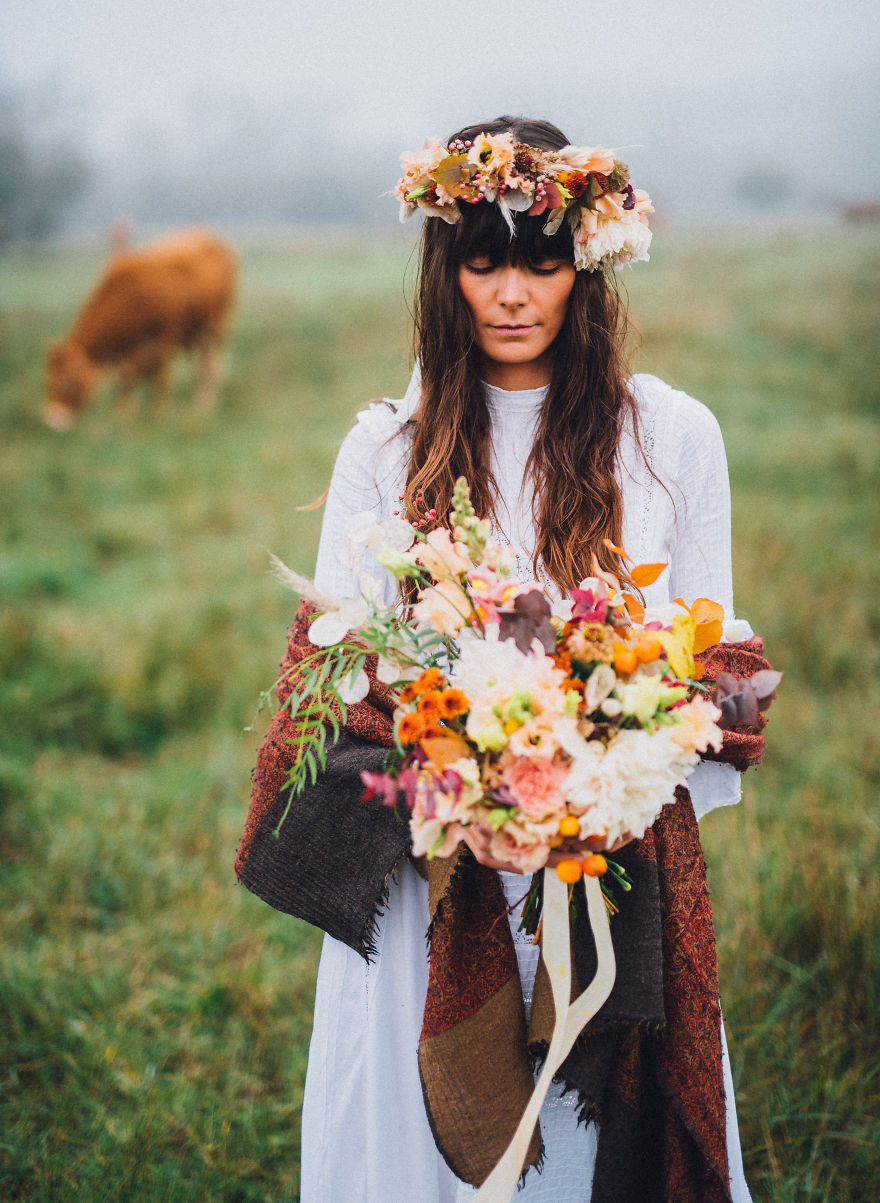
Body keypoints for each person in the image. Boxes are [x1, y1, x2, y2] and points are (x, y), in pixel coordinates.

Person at [239, 116, 761, 1202]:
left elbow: (713, 664)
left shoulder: (669, 439)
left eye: (541, 259)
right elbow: (334, 676)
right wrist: (467, 785)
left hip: (606, 860)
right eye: (484, 261)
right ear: (447, 272)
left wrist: (596, 766)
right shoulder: (387, 448)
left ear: (589, 266)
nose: (513, 292)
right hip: (430, 872)